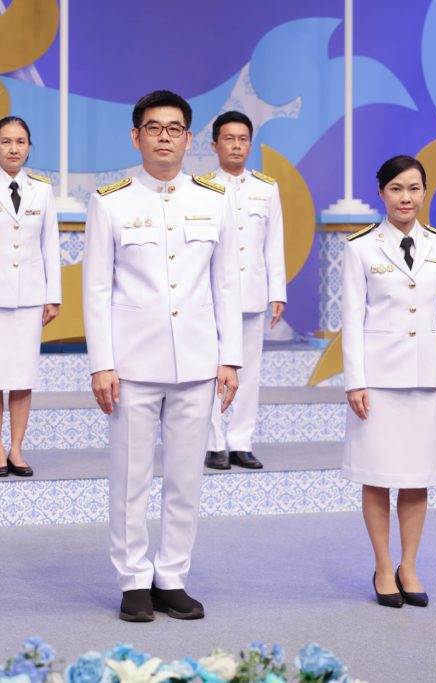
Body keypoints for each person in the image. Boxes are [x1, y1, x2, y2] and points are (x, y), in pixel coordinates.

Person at [83, 90, 242, 622]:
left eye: (175, 129)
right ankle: (133, 579)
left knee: (185, 478)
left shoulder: (214, 200)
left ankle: (171, 575)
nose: (164, 137)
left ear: (189, 138)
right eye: (154, 128)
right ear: (137, 136)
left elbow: (226, 285)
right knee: (130, 477)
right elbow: (96, 290)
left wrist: (230, 357)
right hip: (132, 364)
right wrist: (102, 363)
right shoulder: (111, 201)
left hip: (197, 361)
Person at [341, 155, 436, 608]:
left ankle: (408, 566)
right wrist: (355, 381)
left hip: (426, 378)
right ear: (381, 193)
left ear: (425, 192)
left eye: (413, 188)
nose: (405, 197)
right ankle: (382, 566)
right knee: (376, 477)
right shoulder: (360, 247)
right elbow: (351, 319)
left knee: (416, 478)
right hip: (377, 380)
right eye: (396, 188)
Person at [0, 116, 61, 477]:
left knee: (22, 377)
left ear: (29, 147)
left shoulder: (43, 190)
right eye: (5, 142)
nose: (13, 149)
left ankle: (17, 448)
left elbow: (50, 243)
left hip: (30, 297)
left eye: (20, 142)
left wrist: (53, 295)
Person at [203, 111, 286, 471]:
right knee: (211, 369)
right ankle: (213, 443)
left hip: (252, 292)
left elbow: (273, 243)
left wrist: (277, 292)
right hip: (210, 296)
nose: (236, 146)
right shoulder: (203, 188)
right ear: (214, 145)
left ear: (250, 145)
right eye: (229, 139)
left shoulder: (266, 188)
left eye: (243, 139)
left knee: (249, 371)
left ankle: (241, 441)